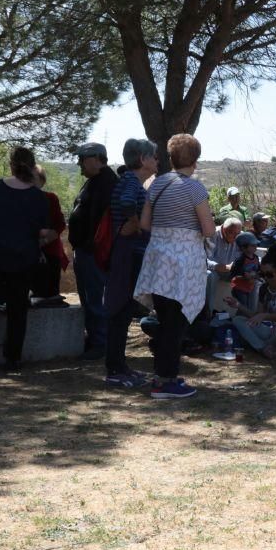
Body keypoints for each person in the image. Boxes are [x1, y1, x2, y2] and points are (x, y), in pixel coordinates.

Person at [134, 134, 215, 399]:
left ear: (169, 157)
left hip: (158, 260)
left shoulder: (155, 185)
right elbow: (208, 228)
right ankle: (166, 382)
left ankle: (161, 376)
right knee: (176, 325)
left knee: (165, 320)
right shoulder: (195, 189)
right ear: (195, 159)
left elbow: (145, 224)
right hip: (183, 263)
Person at [0, 147, 53, 371]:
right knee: (18, 309)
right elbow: (44, 232)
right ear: (33, 166)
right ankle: (13, 358)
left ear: (11, 165)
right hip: (22, 258)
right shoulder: (37, 196)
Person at [103, 138, 157, 388]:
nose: (157, 161)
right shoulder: (131, 182)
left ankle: (121, 366)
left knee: (124, 312)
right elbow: (126, 203)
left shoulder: (131, 181)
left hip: (129, 253)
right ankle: (115, 369)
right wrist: (134, 223)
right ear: (143, 159)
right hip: (127, 254)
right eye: (154, 156)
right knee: (120, 311)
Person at [69, 142, 117, 360]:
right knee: (89, 299)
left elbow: (101, 221)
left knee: (96, 299)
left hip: (94, 253)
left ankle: (101, 343)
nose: (79, 163)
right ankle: (95, 339)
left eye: (82, 159)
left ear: (97, 158)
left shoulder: (106, 182)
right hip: (86, 251)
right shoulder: (94, 182)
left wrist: (91, 245)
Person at [29, 166, 69, 302]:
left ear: (42, 180)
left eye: (33, 178)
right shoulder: (18, 198)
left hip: (50, 251)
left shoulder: (50, 198)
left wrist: (44, 241)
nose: (30, 181)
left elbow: (60, 224)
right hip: (25, 252)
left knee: (50, 294)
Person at [205, 217, 242, 315]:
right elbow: (204, 260)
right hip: (214, 270)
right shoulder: (212, 235)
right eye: (233, 233)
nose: (235, 238)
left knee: (254, 280)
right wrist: (219, 267)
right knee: (209, 275)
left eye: (238, 234)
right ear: (224, 230)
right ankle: (207, 314)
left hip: (230, 272)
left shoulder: (239, 236)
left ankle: (248, 316)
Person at [229, 232, 261, 308]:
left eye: (256, 245)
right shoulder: (240, 260)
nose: (255, 247)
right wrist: (244, 275)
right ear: (243, 248)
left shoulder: (256, 258)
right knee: (242, 307)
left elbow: (259, 270)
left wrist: (258, 275)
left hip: (250, 287)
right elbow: (233, 273)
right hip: (239, 288)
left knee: (250, 308)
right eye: (253, 245)